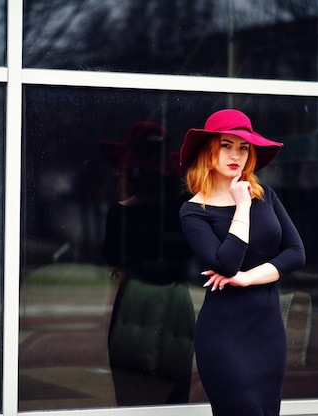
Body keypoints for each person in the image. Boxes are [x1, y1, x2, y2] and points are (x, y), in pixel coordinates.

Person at [178, 109, 305, 415]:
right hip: (223, 338)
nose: (236, 155)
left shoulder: (268, 197)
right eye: (226, 145)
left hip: (268, 334)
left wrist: (248, 278)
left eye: (244, 147)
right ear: (210, 150)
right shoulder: (193, 211)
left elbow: (296, 252)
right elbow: (226, 265)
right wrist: (242, 206)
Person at [100, 121, 195, 405]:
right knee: (174, 396)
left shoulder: (120, 215)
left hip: (135, 303)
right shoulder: (185, 209)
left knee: (130, 395)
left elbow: (112, 258)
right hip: (176, 302)